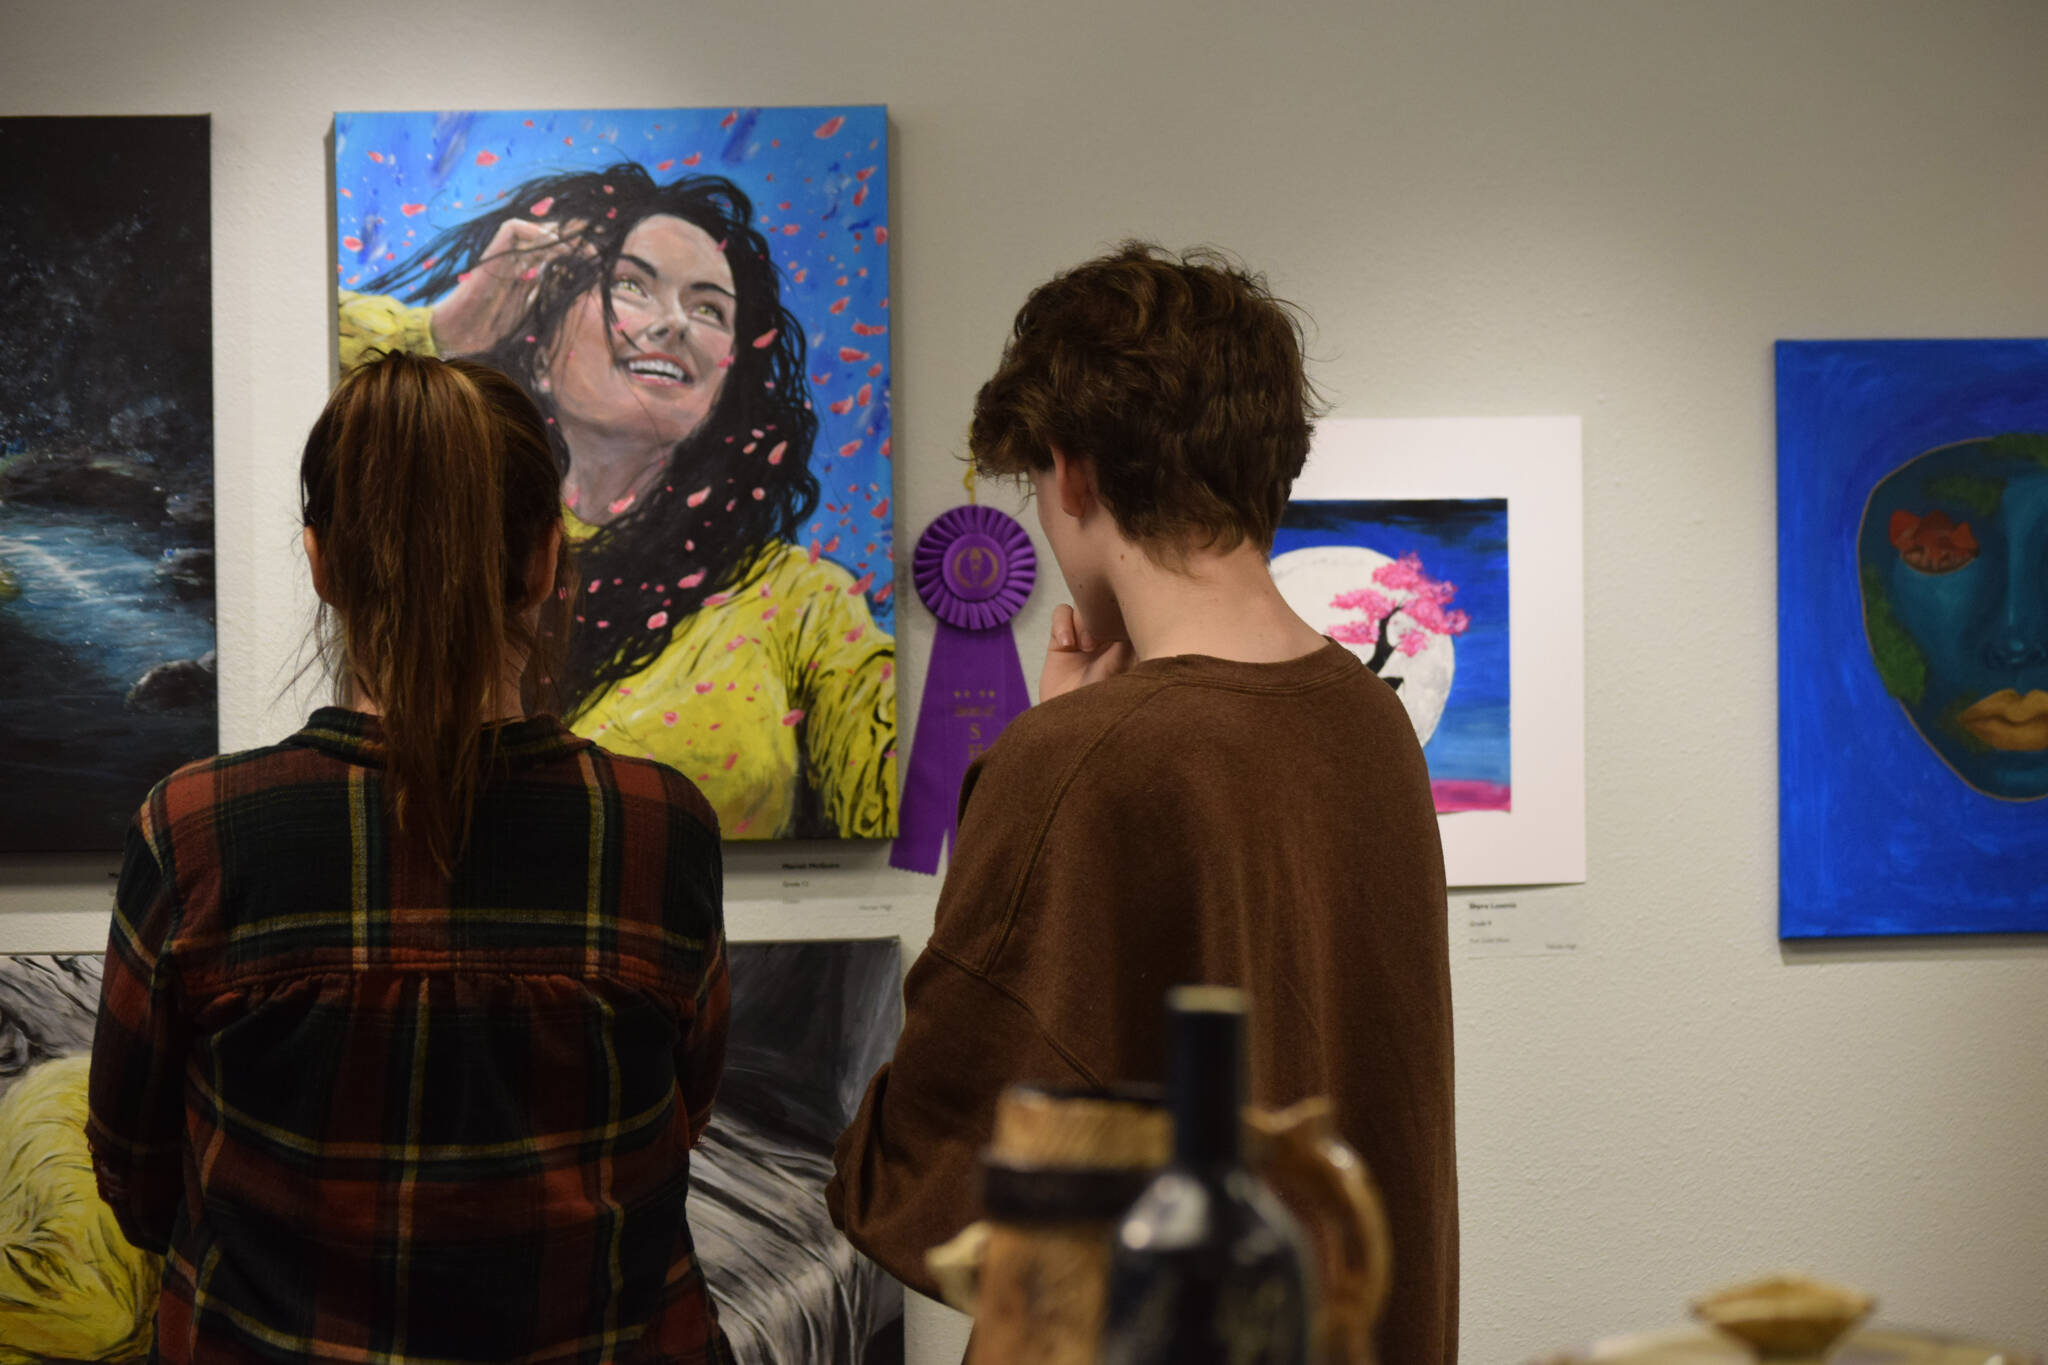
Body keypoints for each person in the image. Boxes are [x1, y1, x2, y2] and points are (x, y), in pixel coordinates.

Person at [828, 244, 1459, 1363]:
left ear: (1070, 475)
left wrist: (1041, 754)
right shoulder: (1369, 724)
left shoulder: (1077, 759)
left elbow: (915, 1180)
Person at [86, 353, 733, 1364]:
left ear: (321, 563)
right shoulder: (657, 828)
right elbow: (676, 1123)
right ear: (543, 563)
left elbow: (134, 1174)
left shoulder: (197, 830)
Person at [339, 164, 895, 839]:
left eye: (710, 308)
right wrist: (442, 337)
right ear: (537, 343)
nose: (674, 324)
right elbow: (312, 396)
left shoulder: (799, 601)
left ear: (728, 380)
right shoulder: (442, 557)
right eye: (632, 284)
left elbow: (907, 811)